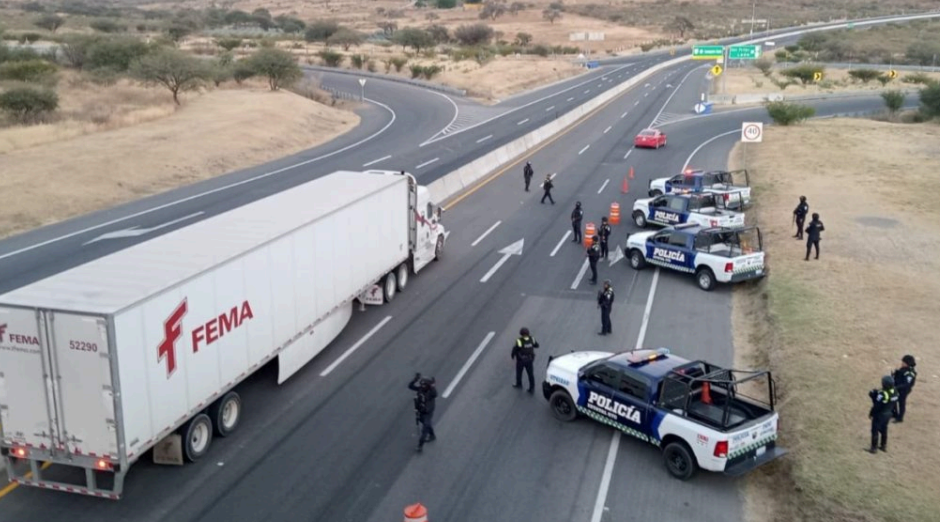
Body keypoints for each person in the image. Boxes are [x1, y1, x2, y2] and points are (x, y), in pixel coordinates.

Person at [868, 375, 898, 454]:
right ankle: (883, 445)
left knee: (875, 430)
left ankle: (874, 448)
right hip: (888, 413)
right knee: (884, 429)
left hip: (880, 415)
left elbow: (877, 405)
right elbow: (894, 404)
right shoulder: (895, 391)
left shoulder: (882, 394)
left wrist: (873, 397)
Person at [409, 373, 438, 452]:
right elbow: (410, 386)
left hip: (428, 413)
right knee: (425, 423)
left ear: (428, 385)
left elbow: (435, 393)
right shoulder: (420, 389)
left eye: (424, 384)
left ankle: (420, 446)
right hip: (421, 411)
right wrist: (415, 380)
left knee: (424, 429)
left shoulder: (431, 393)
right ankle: (432, 435)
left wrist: (433, 386)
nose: (422, 386)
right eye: (421, 384)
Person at [511, 327, 540, 393]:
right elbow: (537, 345)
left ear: (521, 334)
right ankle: (532, 388)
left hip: (521, 360)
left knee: (519, 373)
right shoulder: (532, 338)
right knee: (530, 374)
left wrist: (512, 355)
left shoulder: (519, 340)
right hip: (530, 359)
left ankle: (519, 384)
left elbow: (516, 349)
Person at [892, 355, 917, 423]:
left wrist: (896, 387)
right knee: (893, 400)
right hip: (897, 388)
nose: (902, 363)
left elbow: (906, 384)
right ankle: (894, 414)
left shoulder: (910, 373)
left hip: (903, 390)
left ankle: (900, 418)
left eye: (903, 362)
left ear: (907, 363)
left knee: (901, 403)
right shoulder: (903, 369)